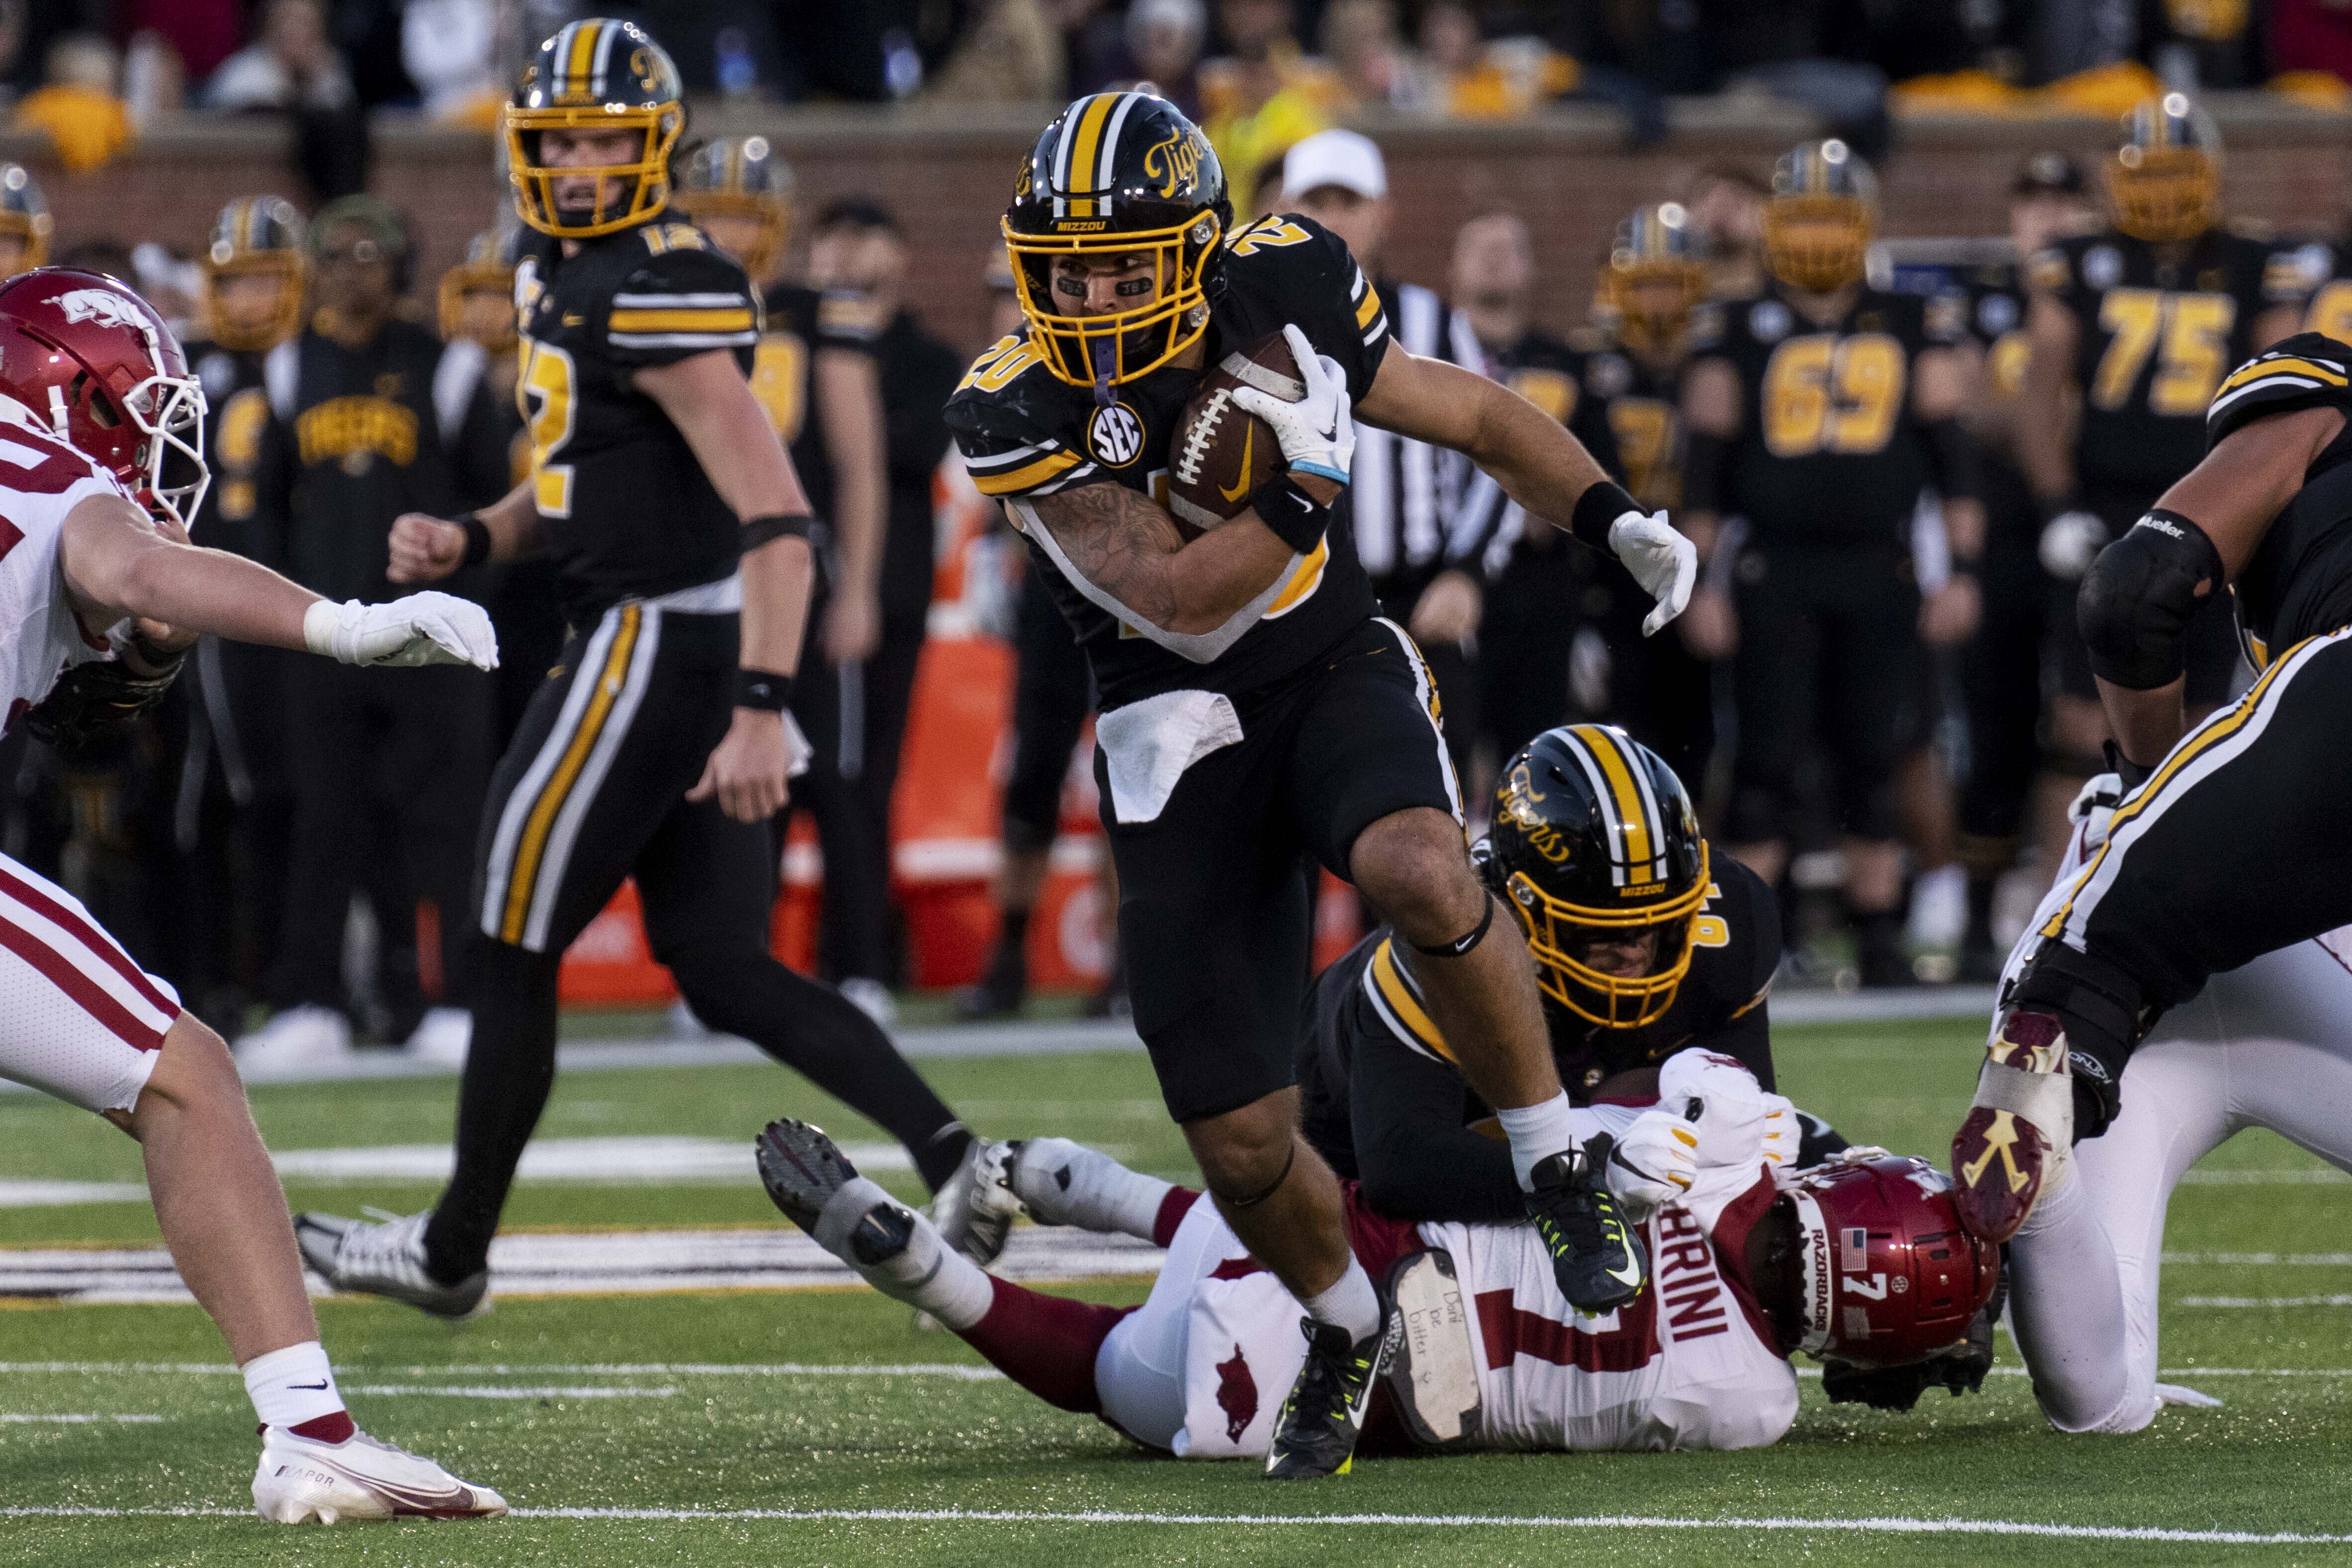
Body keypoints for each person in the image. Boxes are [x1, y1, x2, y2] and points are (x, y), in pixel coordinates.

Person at [944, 89, 1697, 1479]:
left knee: (1422, 864)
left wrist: (1615, 515)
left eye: (1127, 262)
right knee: (1240, 1140)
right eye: (1072, 269)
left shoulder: (1282, 275)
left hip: (1328, 666)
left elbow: (1467, 411)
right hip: (1171, 730)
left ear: (1197, 248)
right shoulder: (1010, 400)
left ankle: (1551, 1161)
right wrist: (1302, 486)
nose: (1098, 295)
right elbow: (1172, 599)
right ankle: (1351, 1326)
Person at [293, 19, 983, 1320]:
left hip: (655, 640)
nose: (585, 160)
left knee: (507, 927)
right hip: (663, 634)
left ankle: (451, 1250)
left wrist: (766, 704)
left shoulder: (645, 281)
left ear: (656, 146)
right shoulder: (571, 271)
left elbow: (778, 513)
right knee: (717, 963)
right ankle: (958, 1154)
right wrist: (476, 535)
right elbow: (585, 482)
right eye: (563, 137)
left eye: (611, 136)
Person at [0, 264, 503, 1521]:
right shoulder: (46, 472)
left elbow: (97, 676)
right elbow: (150, 577)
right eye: (141, 419)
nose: (157, 461)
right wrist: (341, 626)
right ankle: (310, 1432)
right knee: (186, 1074)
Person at [754, 1050, 1999, 1462]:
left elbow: (1648, 1088)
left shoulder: (1728, 1125)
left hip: (1351, 1238)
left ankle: (1070, 1179)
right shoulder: (1753, 1401)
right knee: (1103, 1373)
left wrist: (1746, 1138)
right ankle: (923, 1265)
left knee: (1241, 1222)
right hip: (1375, 1390)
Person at [1950, 323, 2352, 1241]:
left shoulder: (2316, 404)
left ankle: (1958, 1262)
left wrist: (2148, 785)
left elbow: (2132, 593)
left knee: (2099, 941)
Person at [1294, 725, 1840, 1224]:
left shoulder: (1732, 915)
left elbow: (1733, 1113)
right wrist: (1590, 1180)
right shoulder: (1445, 950)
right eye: (1600, 931)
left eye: (1656, 926)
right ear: (1521, 906)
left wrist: (1734, 1136)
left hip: (1591, 1105)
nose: (1632, 950)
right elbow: (1402, 1166)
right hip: (1368, 1134)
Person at [1678, 140, 1985, 989]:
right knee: (1763, 761)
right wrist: (1695, 581)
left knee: (1871, 756)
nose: (1814, 237)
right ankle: (1743, 944)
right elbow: (1702, 467)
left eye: (1829, 217)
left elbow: (1948, 455)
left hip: (1876, 566)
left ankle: (1877, 938)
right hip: (1770, 570)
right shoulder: (1734, 324)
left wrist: (1958, 568)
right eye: (1801, 217)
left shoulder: (1911, 317)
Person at [227, 196, 509, 1069]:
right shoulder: (286, 369)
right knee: (325, 818)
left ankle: (456, 999)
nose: (355, 270)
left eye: (370, 254)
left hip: (432, 635)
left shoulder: (451, 367)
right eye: (338, 255)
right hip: (328, 634)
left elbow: (493, 503)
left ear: (401, 266)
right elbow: (264, 511)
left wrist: (467, 603)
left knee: (449, 821)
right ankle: (312, 996)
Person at [1988, 766, 2352, 1433]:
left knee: (2100, 1392)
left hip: (2110, 932)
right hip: (2216, 926)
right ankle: (2036, 1166)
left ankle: (2042, 1165)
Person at [2012, 96, 2302, 844]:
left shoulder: (2251, 259)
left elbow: (2281, 391)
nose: (2164, 192)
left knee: (2203, 721)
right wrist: (2054, 505)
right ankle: (2063, 887)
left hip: (2213, 506)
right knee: (2077, 722)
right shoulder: (2078, 258)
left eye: (2180, 174)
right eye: (2150, 174)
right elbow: (2040, 390)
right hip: (2105, 505)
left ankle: (2181, 887)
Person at [672, 134, 899, 1020]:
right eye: (712, 213)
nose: (727, 232)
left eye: (743, 215)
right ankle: (731, 968)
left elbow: (858, 463)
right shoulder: (661, 309)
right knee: (717, 778)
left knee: (833, 782)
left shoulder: (815, 313)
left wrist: (859, 586)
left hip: (801, 574)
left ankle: (858, 968)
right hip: (702, 579)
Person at [1279, 129, 1497, 784]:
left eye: (1350, 201)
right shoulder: (1250, 326)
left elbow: (1489, 454)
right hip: (1292, 608)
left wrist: (1464, 574)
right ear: (1285, 210)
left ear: (1384, 215)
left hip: (1416, 601)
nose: (1334, 218)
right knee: (1288, 821)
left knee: (1428, 814)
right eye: (1318, 200)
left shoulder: (1433, 320)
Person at [806, 198, 967, 1005]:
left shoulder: (926, 357)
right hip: (792, 591)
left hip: (885, 593)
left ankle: (861, 956)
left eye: (866, 239)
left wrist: (840, 392)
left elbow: (905, 448)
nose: (847, 258)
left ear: (900, 258)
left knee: (860, 781)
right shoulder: (788, 344)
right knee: (772, 783)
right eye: (833, 238)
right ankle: (777, 960)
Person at [1947, 153, 2099, 979]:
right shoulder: (1983, 297)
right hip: (2005, 536)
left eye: (2062, 201)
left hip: (2095, 526)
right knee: (1995, 722)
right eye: (2033, 202)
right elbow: (1971, 410)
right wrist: (2047, 414)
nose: (2049, 217)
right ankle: (1975, 913)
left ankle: (2066, 895)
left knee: (2085, 721)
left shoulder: (2103, 291)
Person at [174, 195, 311, 1030]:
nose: (252, 298)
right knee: (218, 794)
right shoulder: (186, 366)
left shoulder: (312, 367)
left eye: (268, 279)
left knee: (300, 796)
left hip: (296, 607)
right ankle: (214, 971)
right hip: (206, 609)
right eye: (239, 280)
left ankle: (288, 971)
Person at [436, 223, 559, 752]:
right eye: (476, 295)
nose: (486, 311)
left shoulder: (557, 385)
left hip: (541, 584)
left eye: (500, 295)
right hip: (466, 579)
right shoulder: (445, 387)